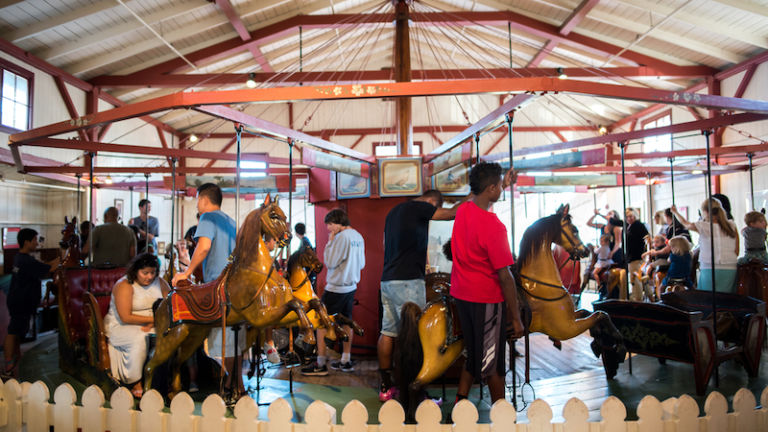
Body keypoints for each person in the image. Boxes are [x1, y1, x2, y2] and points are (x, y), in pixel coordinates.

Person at [377, 189, 467, 401]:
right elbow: (452, 213)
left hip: (388, 279)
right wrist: (475, 193)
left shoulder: (394, 212)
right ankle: (415, 393)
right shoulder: (421, 206)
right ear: (431, 201)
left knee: (388, 332)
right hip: (408, 280)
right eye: (434, 207)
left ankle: (386, 388)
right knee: (414, 338)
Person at [449, 162, 524, 405]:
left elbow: (477, 196)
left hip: (461, 294)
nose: (501, 189)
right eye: (498, 185)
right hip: (486, 300)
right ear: (491, 188)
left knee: (474, 352)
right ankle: (501, 411)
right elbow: (505, 277)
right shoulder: (494, 226)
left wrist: (503, 182)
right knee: (493, 361)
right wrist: (515, 317)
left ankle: (461, 402)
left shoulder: (463, 211)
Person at [171, 183, 239, 387]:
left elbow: (204, 246)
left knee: (219, 337)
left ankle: (224, 382)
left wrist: (187, 272)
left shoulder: (207, 218)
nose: (197, 204)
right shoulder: (231, 221)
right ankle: (234, 383)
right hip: (233, 284)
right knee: (233, 339)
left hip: (217, 285)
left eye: (197, 199)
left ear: (203, 199)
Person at [302, 208, 365, 376]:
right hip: (351, 287)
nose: (328, 229)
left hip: (336, 288)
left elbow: (329, 262)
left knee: (321, 323)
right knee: (347, 322)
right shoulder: (358, 236)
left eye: (330, 225)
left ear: (338, 222)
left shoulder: (341, 237)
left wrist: (330, 242)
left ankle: (320, 364)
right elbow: (362, 264)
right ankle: (345, 360)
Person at [104, 253, 170, 397]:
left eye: (152, 272)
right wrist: (152, 321)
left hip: (154, 323)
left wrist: (157, 322)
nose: (149, 277)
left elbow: (169, 305)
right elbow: (125, 317)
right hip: (123, 326)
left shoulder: (161, 283)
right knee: (140, 338)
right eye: (145, 273)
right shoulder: (125, 285)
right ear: (136, 271)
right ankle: (135, 381)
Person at [3, 228, 60, 377]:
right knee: (13, 331)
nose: (37, 242)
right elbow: (50, 268)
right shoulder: (26, 261)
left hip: (17, 300)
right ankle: (8, 364)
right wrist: (63, 257)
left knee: (16, 331)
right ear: (27, 242)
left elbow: (42, 266)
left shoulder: (19, 258)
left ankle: (15, 359)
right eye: (35, 240)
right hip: (21, 302)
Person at [671, 199, 739, 293]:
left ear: (705, 212)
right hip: (730, 267)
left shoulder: (703, 226)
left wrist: (675, 212)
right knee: (727, 299)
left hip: (709, 266)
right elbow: (737, 250)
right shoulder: (732, 225)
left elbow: (685, 223)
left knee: (707, 299)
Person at [625, 208, 650, 301]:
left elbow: (647, 238)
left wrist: (645, 251)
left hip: (636, 255)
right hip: (633, 256)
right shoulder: (630, 226)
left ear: (635, 216)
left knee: (636, 279)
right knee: (640, 277)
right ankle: (648, 296)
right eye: (627, 217)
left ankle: (638, 298)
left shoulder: (638, 225)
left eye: (631, 216)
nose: (629, 218)